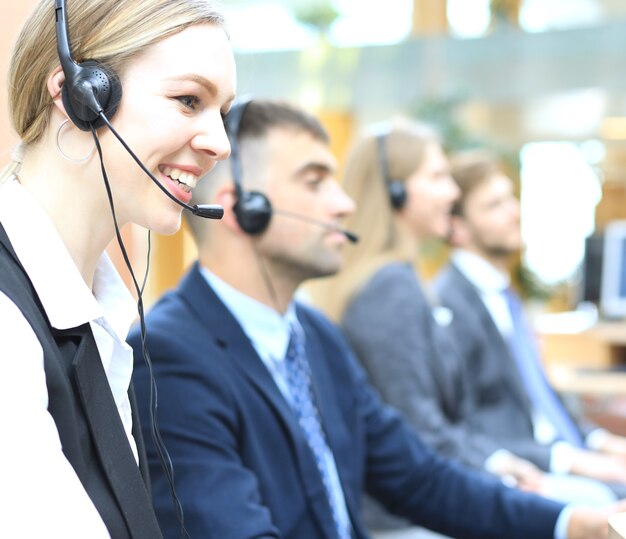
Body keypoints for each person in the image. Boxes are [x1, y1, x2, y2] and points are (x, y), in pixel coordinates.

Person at [130, 98, 622, 539]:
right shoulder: (170, 358)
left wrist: (573, 522)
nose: (344, 205)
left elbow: (418, 477)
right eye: (316, 181)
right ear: (245, 210)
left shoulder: (314, 337)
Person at [309, 122, 618, 538]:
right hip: (406, 515)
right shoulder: (389, 288)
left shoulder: (404, 281)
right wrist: (496, 472)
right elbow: (421, 431)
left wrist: (499, 465)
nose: (451, 193)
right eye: (437, 178)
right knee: (593, 509)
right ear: (396, 192)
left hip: (432, 491)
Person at [0, 0, 235, 537]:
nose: (220, 144)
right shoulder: (6, 321)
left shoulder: (98, 312)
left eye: (222, 114)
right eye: (188, 100)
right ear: (79, 95)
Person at [434, 150, 626, 496]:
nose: (514, 212)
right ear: (457, 229)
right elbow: (467, 426)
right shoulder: (448, 305)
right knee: (609, 498)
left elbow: (541, 399)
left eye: (511, 199)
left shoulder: (504, 296)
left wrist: (598, 441)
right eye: (494, 206)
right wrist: (568, 459)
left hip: (557, 451)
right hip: (519, 467)